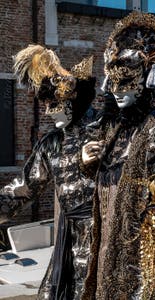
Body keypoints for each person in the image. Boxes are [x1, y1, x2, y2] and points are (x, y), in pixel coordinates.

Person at [81, 11, 155, 299]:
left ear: (148, 76)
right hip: (106, 266)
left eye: (129, 78)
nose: (118, 90)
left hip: (143, 271)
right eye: (114, 80)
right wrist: (88, 162)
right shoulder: (110, 135)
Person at [0, 44, 100, 299]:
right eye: (45, 104)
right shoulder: (51, 144)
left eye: (53, 103)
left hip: (106, 238)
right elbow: (24, 188)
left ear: (70, 99)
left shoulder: (107, 129)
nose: (46, 111)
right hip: (68, 243)